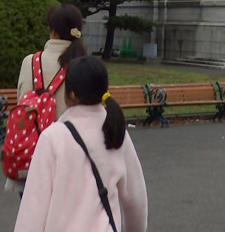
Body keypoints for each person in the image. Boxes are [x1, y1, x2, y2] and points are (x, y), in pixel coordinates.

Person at [14, 55, 148, 232]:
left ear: (72, 94)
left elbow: (33, 211)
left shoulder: (52, 138)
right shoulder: (115, 132)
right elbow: (135, 200)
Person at [7, 3, 88, 194]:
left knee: (33, 221)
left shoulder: (30, 62)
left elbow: (22, 103)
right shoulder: (85, 64)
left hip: (33, 158)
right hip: (73, 160)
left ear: (52, 31)